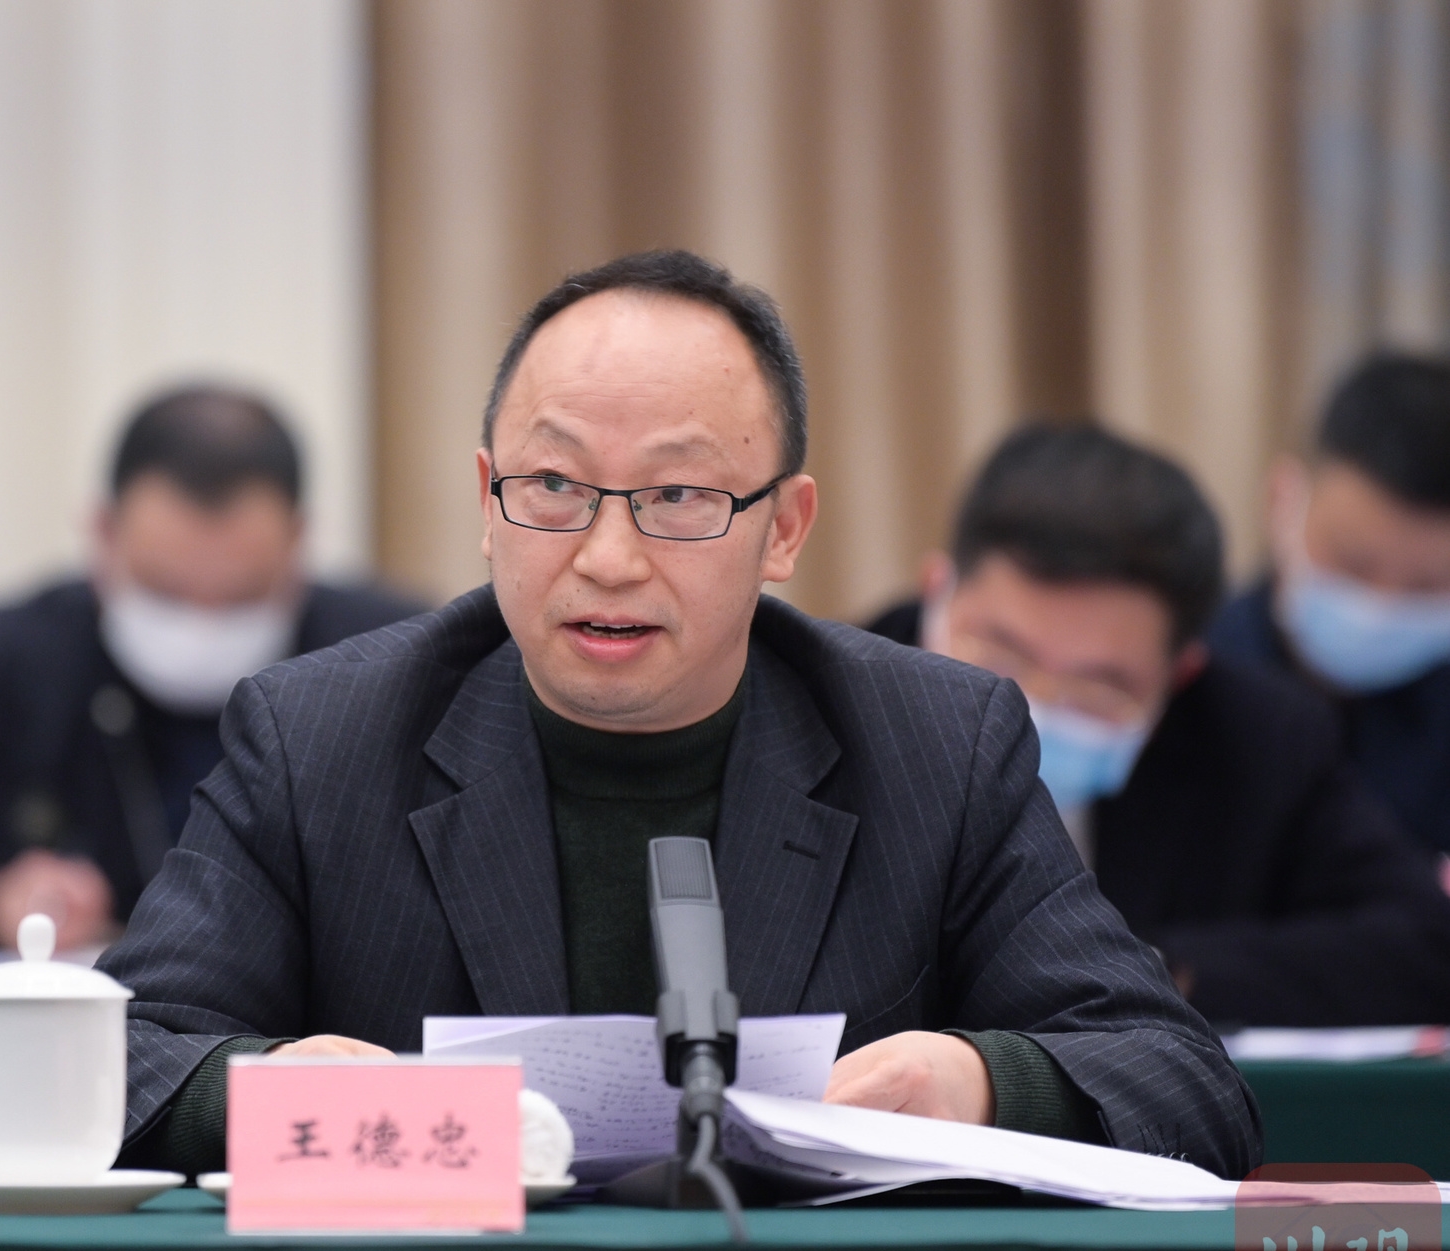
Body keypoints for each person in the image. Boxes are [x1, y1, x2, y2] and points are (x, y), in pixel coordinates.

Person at [101, 250, 1260, 1179]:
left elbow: (1184, 1085)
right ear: (488, 503)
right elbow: (115, 1064)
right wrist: (266, 1094)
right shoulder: (317, 737)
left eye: (678, 495)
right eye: (553, 487)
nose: (606, 557)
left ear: (784, 529)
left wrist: (978, 1082)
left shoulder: (933, 745)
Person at [868, 422, 1450, 1028]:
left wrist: (1145, 969)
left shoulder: (1259, 739)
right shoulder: (824, 697)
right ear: (938, 589)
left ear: (1180, 673)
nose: (1028, 704)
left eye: (1099, 687)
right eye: (1001, 654)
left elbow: (1427, 948)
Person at [0, 385, 423, 951]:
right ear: (103, 534)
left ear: (297, 541)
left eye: (241, 598)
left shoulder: (397, 663)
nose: (202, 626)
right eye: (165, 592)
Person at [1210, 353, 1450, 859]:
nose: (1380, 609)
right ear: (1283, 499)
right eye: (1353, 564)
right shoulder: (1184, 677)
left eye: (1427, 588)